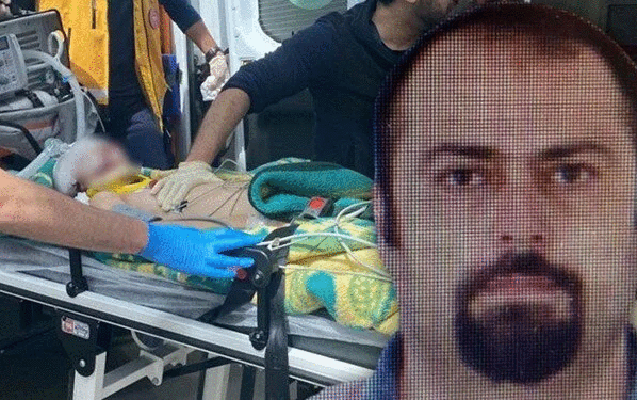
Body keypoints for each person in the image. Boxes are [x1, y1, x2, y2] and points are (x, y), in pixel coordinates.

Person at [311, 3, 637, 399]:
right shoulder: (330, 40)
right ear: (387, 222)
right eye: (461, 178)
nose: (520, 225)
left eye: (571, 173)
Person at [151, 0, 471, 211]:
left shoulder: (459, 45)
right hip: (346, 208)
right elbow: (243, 88)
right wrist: (196, 165)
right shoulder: (334, 39)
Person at [0, 164, 261, 279]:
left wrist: (196, 164)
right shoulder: (102, 198)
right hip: (132, 216)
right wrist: (150, 238)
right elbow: (8, 203)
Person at [107, 0, 229, 169]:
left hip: (133, 104)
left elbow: (179, 7)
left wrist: (214, 54)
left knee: (155, 173)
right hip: (84, 107)